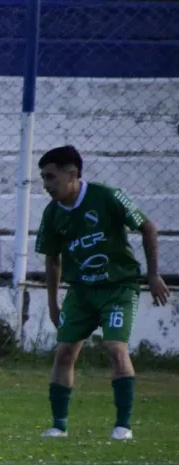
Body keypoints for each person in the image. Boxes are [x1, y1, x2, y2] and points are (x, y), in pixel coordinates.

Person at [34, 145, 170, 441]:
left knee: (114, 347)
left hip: (118, 287)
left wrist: (153, 273)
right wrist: (53, 303)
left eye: (51, 177)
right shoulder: (52, 214)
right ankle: (58, 425)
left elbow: (148, 227)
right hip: (81, 292)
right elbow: (52, 259)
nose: (46, 185)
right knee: (65, 352)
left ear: (73, 175)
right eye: (43, 178)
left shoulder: (107, 196)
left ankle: (123, 426)